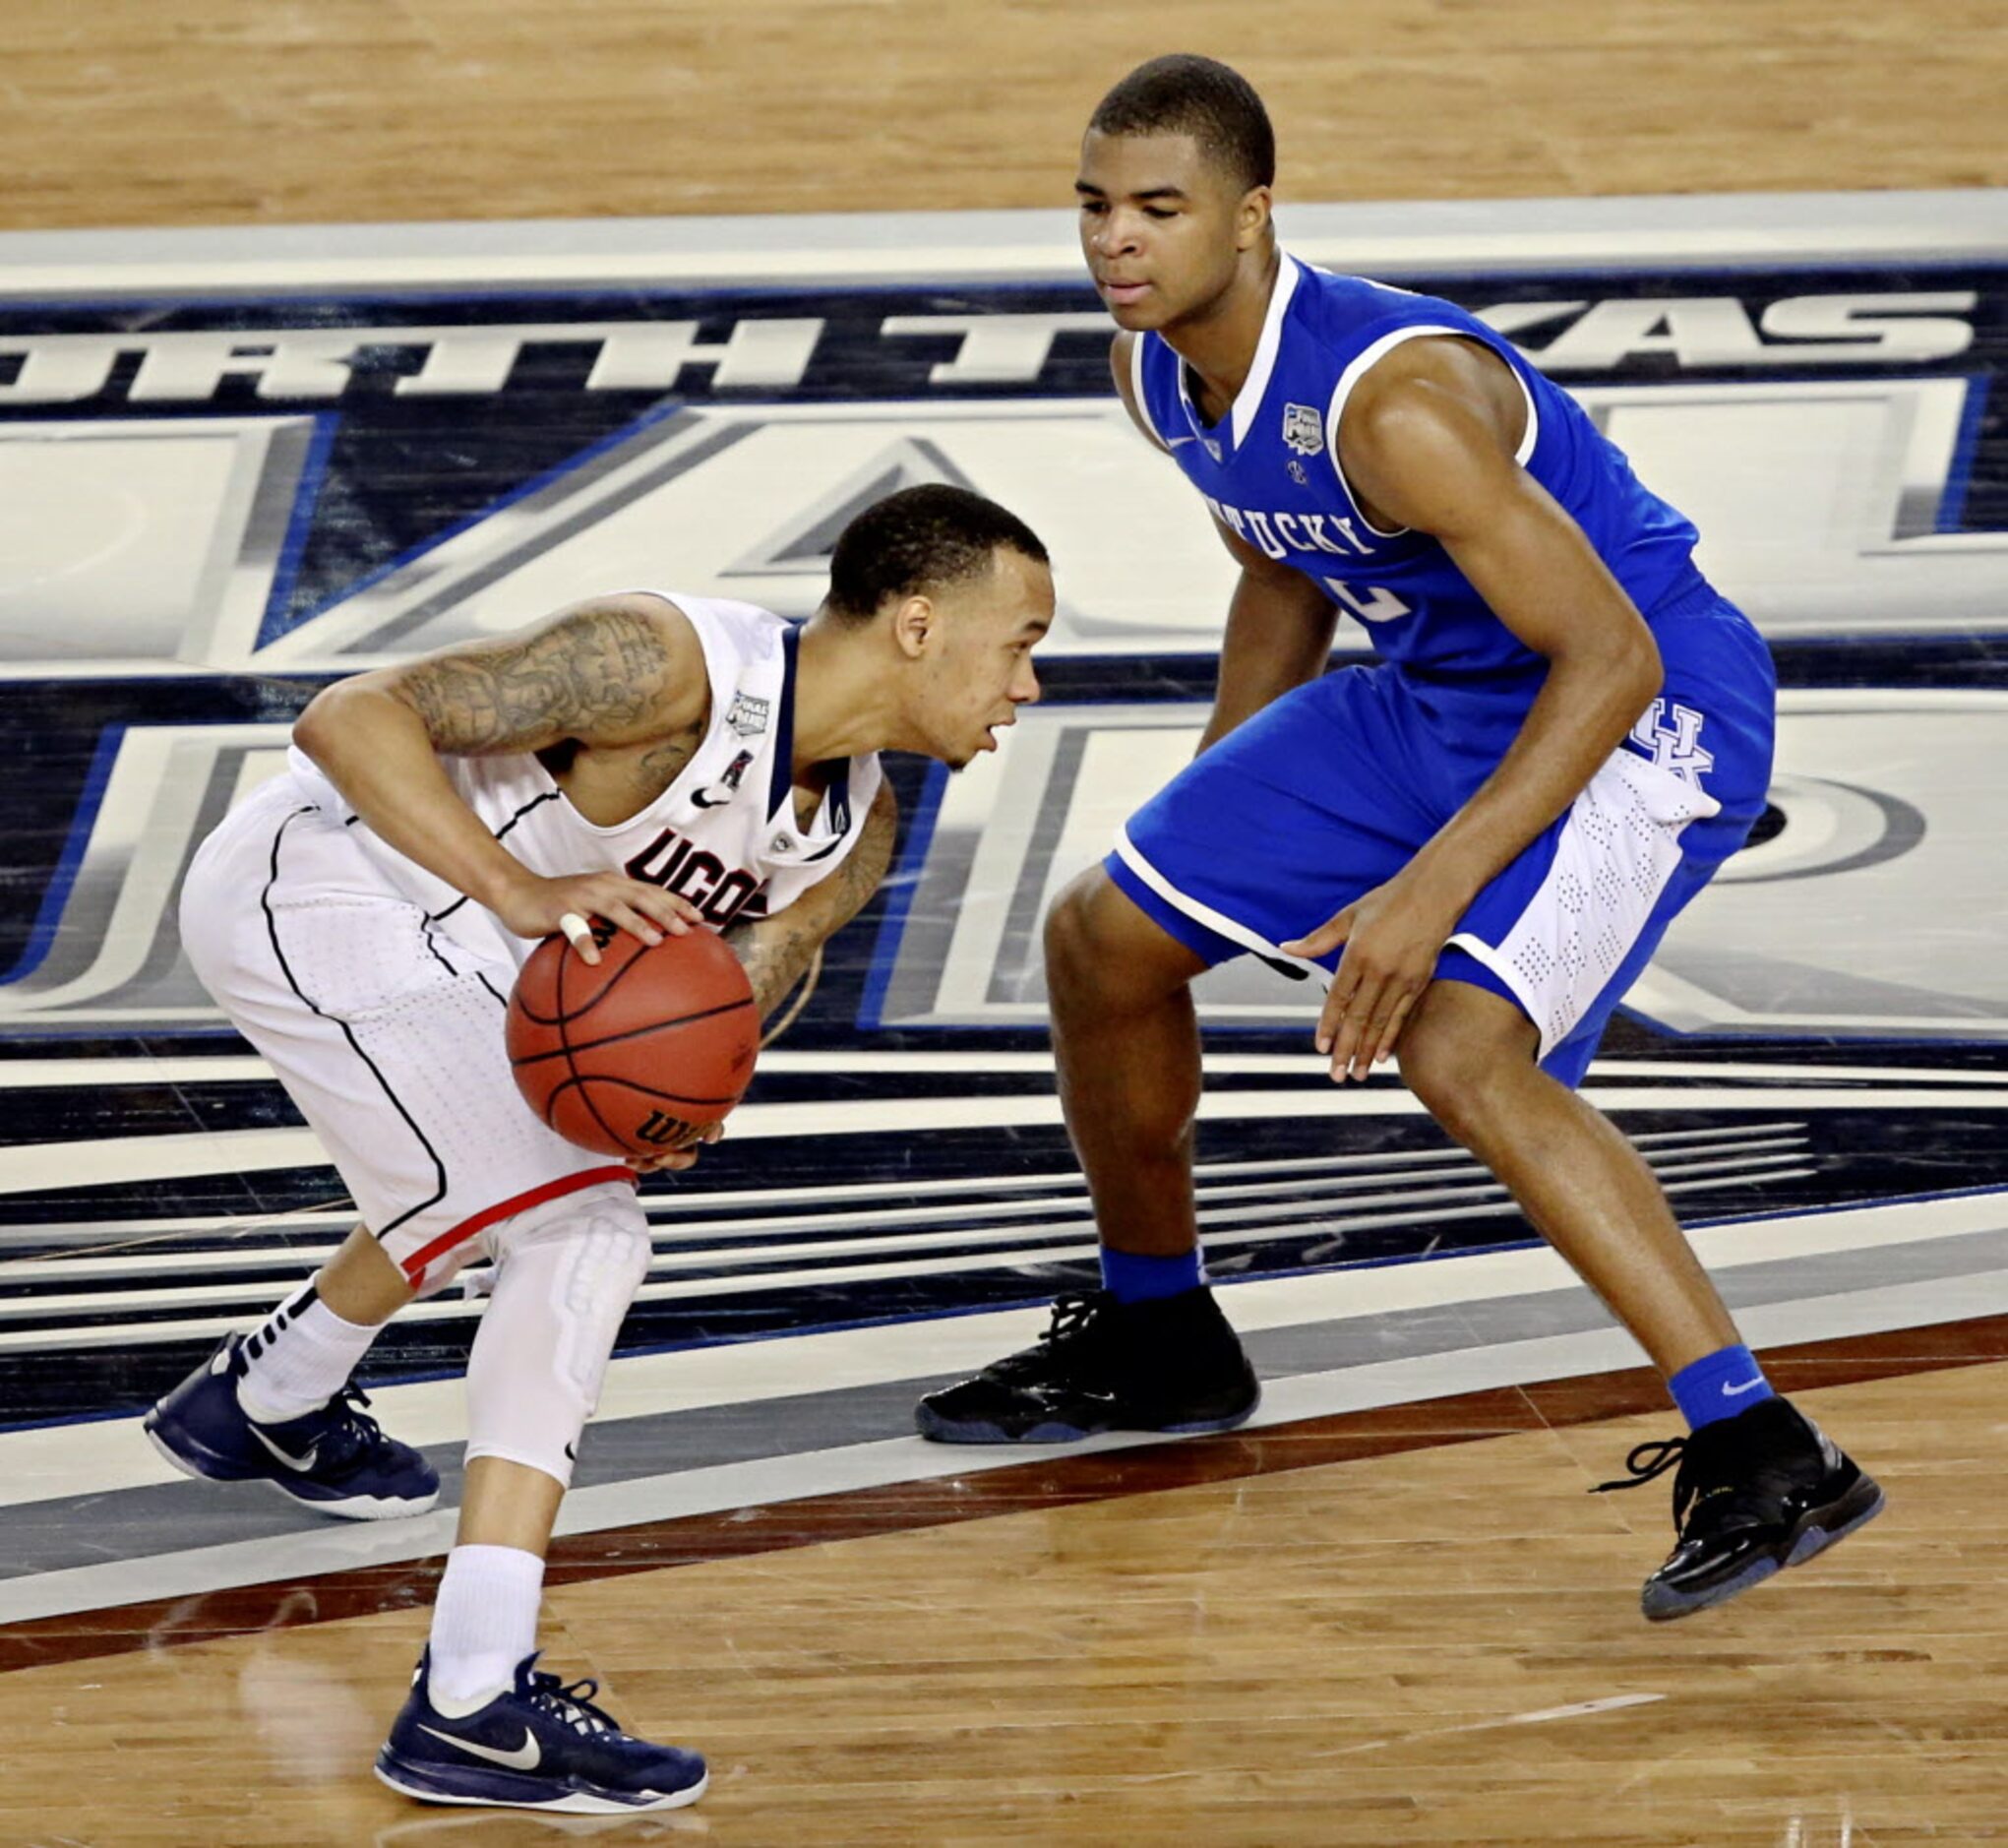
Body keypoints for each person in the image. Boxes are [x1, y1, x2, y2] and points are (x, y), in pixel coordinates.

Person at [915, 55, 1881, 1624]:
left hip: (1641, 709)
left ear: (1252, 215)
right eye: (1093, 206)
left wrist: (1420, 892)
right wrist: (1222, 804)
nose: (1116, 240)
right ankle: (1159, 1332)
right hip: (1440, 695)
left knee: (1460, 1049)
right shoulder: (1156, 364)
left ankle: (1762, 1441)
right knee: (1106, 930)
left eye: (1159, 209)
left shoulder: (1398, 405)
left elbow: (1615, 654)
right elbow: (1282, 568)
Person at [146, 484, 1053, 1813]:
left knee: (515, 1182)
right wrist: (517, 888)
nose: (1028, 683)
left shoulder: (857, 827)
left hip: (472, 963)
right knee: (578, 1228)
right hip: (327, 887)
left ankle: (267, 1397)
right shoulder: (668, 665)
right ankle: (471, 1694)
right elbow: (349, 717)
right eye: (1019, 639)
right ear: (919, 624)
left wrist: (684, 1098)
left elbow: (755, 975)